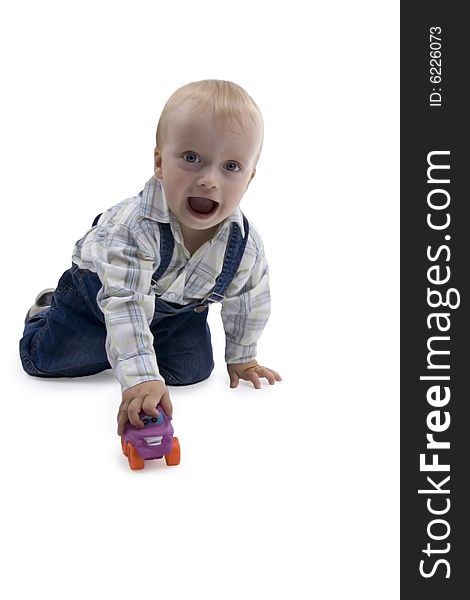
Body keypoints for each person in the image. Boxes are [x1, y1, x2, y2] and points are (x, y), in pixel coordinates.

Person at [19, 79, 282, 435]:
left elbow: (250, 299)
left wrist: (243, 355)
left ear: (249, 178)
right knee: (49, 360)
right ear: (160, 162)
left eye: (231, 167)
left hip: (173, 313)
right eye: (191, 159)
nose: (208, 179)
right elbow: (125, 302)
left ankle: (128, 346)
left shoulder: (243, 243)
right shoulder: (133, 228)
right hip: (97, 297)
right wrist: (140, 379)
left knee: (192, 372)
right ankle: (47, 313)